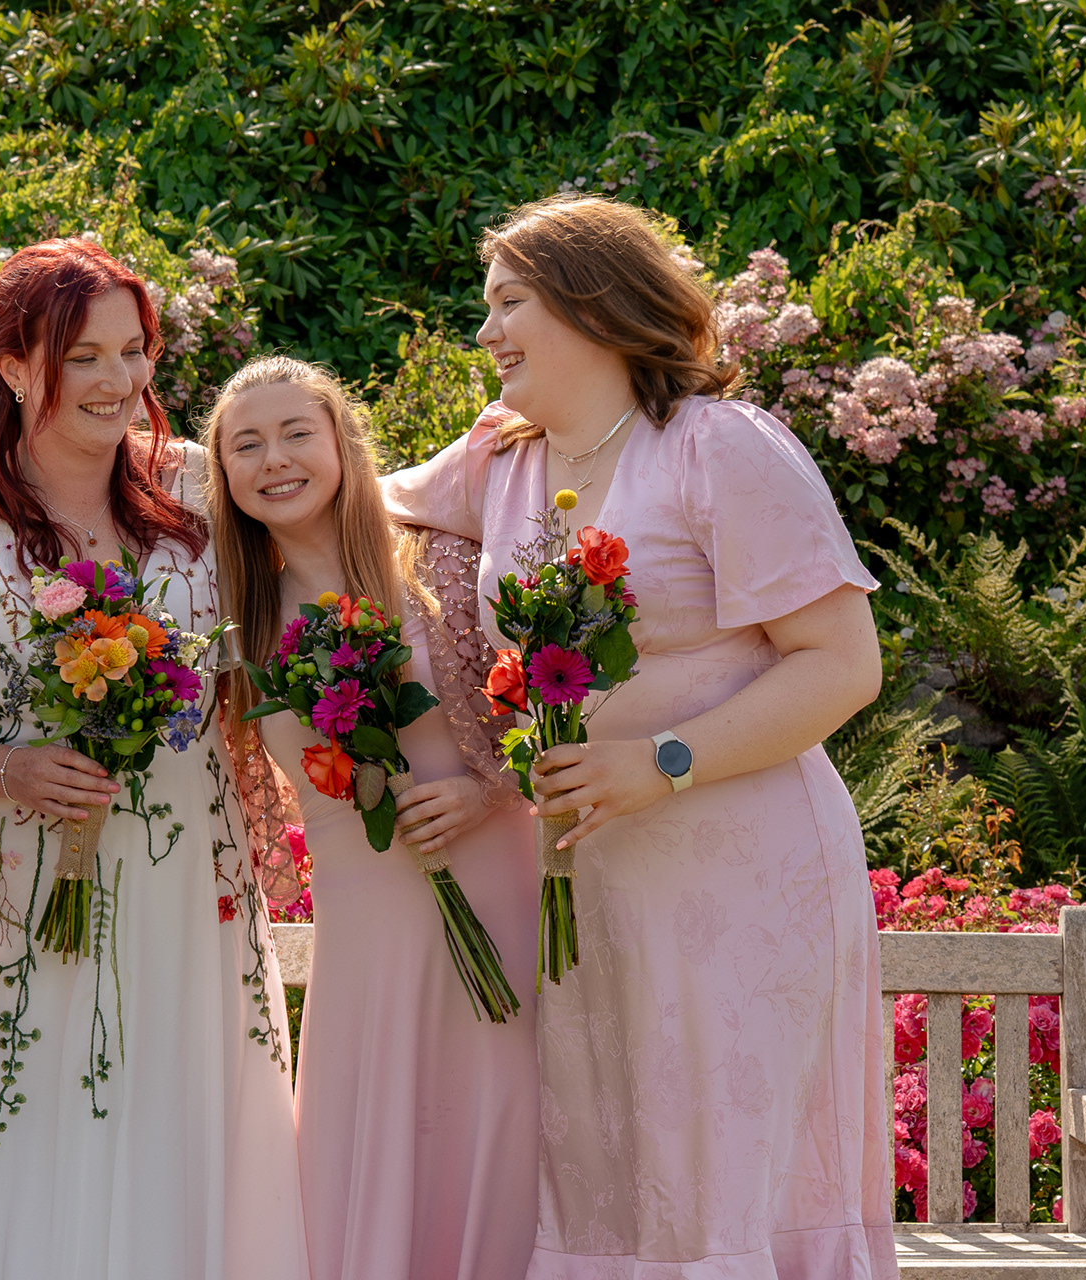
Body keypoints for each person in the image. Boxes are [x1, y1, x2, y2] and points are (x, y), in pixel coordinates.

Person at [382, 194, 896, 1279]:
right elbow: (336, 489)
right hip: (592, 884)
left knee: (721, 1172)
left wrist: (662, 762)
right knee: (613, 1172)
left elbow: (844, 664)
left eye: (509, 303)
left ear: (594, 303)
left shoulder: (721, 447)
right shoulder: (504, 463)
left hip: (747, 868)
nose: (486, 336)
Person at [0, 237, 307, 1280]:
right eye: (84, 355)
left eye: (134, 352)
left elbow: (335, 527)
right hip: (28, 885)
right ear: (10, 366)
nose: (120, 381)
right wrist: (7, 772)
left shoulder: (195, 493)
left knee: (191, 1105)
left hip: (190, 881)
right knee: (37, 1110)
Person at [205, 356, 539, 1280]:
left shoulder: (438, 558)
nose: (275, 458)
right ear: (224, 476)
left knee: (505, 1104)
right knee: (382, 1113)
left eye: (296, 433)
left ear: (342, 443)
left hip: (492, 878)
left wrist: (488, 790)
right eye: (247, 444)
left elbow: (549, 714)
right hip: (370, 907)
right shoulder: (239, 623)